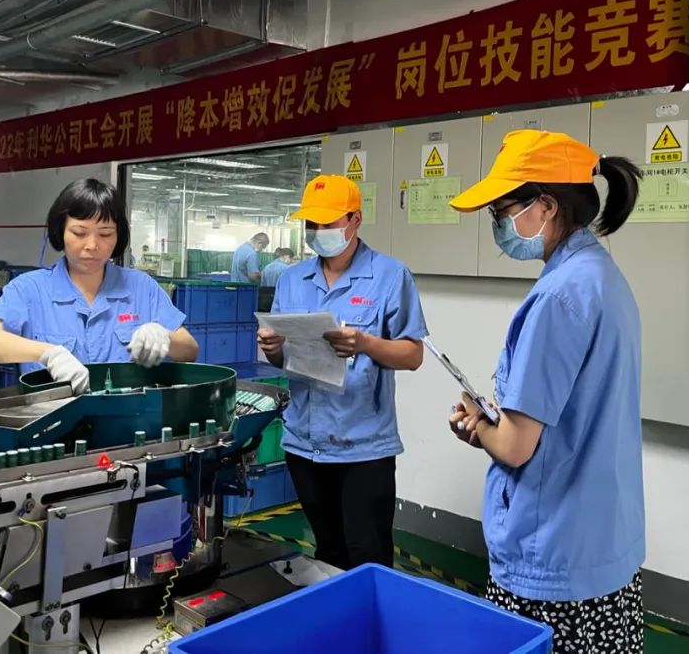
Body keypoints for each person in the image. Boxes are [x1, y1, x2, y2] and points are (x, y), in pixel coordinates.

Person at [446, 130, 644, 653]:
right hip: (603, 544)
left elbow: (515, 447)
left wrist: (478, 426)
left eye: (502, 211)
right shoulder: (603, 278)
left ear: (546, 206)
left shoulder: (557, 297)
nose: (498, 225)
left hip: (552, 558)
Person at [257, 175, 427, 570]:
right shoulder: (291, 279)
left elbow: (412, 354)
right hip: (304, 443)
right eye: (311, 224)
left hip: (363, 447)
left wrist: (365, 343)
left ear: (355, 220)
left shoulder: (390, 276)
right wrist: (275, 349)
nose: (318, 232)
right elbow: (283, 361)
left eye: (328, 223)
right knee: (328, 554)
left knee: (367, 558)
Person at [0, 179, 199, 394]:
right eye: (79, 233)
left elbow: (189, 350)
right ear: (61, 231)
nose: (92, 245)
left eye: (105, 234)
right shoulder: (29, 289)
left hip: (128, 418)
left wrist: (164, 336)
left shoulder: (141, 287)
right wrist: (47, 354)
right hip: (52, 417)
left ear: (118, 236)